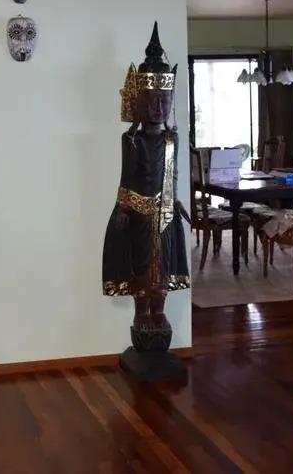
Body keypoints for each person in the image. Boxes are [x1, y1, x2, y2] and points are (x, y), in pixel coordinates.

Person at [102, 22, 190, 354]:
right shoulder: (132, 140)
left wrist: (176, 202)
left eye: (164, 101)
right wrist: (124, 208)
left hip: (165, 213)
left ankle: (159, 310)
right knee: (141, 264)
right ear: (138, 103)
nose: (158, 108)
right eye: (151, 101)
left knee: (163, 263)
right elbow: (127, 177)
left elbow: (173, 175)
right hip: (139, 212)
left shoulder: (172, 139)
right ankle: (142, 311)